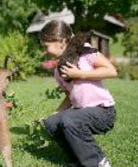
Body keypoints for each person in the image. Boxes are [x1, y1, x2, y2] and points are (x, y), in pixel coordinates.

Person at [38, 20, 117, 167]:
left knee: (70, 120)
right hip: (80, 113)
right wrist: (56, 113)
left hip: (103, 111)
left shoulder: (85, 51)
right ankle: (78, 159)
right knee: (51, 124)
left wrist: (80, 74)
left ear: (60, 41)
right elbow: (70, 96)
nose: (45, 50)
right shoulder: (58, 71)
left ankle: (98, 162)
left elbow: (111, 71)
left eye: (46, 46)